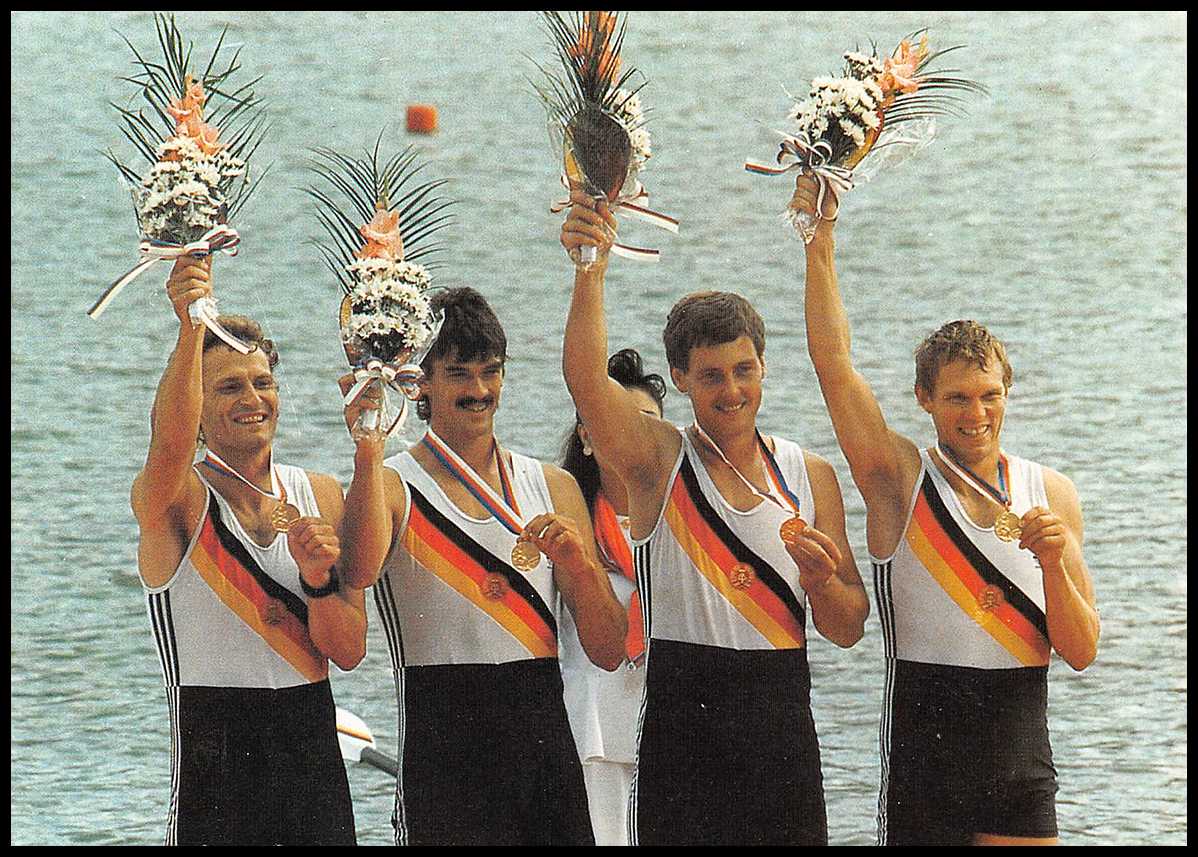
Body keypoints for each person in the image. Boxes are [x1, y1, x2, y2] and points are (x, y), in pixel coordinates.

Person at [792, 175, 1100, 846]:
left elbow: (1081, 650)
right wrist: (821, 241)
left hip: (1021, 770)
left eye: (989, 395)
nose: (976, 413)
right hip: (925, 770)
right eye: (957, 398)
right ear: (925, 399)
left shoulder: (1052, 494)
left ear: (1007, 392)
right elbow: (833, 365)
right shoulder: (897, 480)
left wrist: (1052, 564)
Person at [559, 191, 871, 846]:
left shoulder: (809, 474)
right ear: (679, 377)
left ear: (763, 366)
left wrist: (821, 582)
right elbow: (587, 384)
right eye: (711, 377)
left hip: (783, 739)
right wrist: (592, 270)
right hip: (683, 738)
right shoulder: (657, 460)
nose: (732, 391)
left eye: (744, 370)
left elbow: (846, 628)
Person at [338, 286, 627, 846]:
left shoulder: (553, 486)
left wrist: (582, 568)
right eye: (459, 374)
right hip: (444, 760)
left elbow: (609, 651)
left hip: (545, 761)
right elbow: (356, 572)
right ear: (420, 383)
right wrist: (367, 449)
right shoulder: (392, 486)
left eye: (490, 372)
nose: (479, 390)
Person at [131, 256, 365, 846]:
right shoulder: (176, 499)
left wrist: (317, 581)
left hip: (313, 764)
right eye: (229, 386)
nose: (252, 398)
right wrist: (190, 327)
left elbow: (349, 651)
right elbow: (168, 441)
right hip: (216, 766)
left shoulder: (320, 494)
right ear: (197, 406)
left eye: (263, 382)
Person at [557, 347, 667, 846]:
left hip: (675, 731)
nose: (631, 435)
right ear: (585, 435)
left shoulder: (689, 525)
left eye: (647, 423)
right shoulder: (563, 523)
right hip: (595, 735)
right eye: (614, 420)